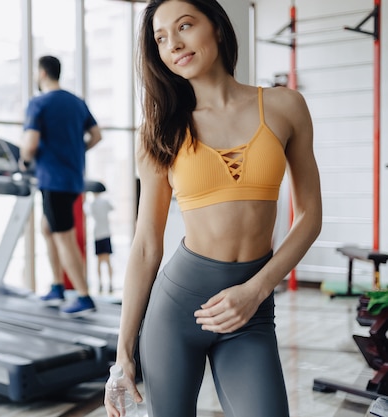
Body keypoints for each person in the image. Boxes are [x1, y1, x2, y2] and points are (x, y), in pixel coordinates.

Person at [104, 1, 322, 417]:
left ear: (217, 28)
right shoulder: (159, 129)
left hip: (251, 311)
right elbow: (147, 244)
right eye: (161, 38)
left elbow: (309, 215)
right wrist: (123, 354)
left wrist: (256, 290)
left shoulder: (284, 106)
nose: (174, 44)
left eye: (185, 26)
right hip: (176, 313)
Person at [19, 55, 103, 317]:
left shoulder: (38, 103)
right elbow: (97, 135)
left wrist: (24, 161)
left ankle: (83, 295)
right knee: (49, 228)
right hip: (72, 178)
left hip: (52, 179)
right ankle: (57, 285)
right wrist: (77, 150)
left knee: (64, 238)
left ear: (42, 73)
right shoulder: (77, 102)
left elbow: (30, 144)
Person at [86, 191, 114, 293]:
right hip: (106, 233)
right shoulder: (105, 202)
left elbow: (88, 212)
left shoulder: (92, 204)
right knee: (107, 260)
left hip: (97, 233)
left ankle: (100, 284)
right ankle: (110, 283)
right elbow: (112, 208)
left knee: (99, 261)